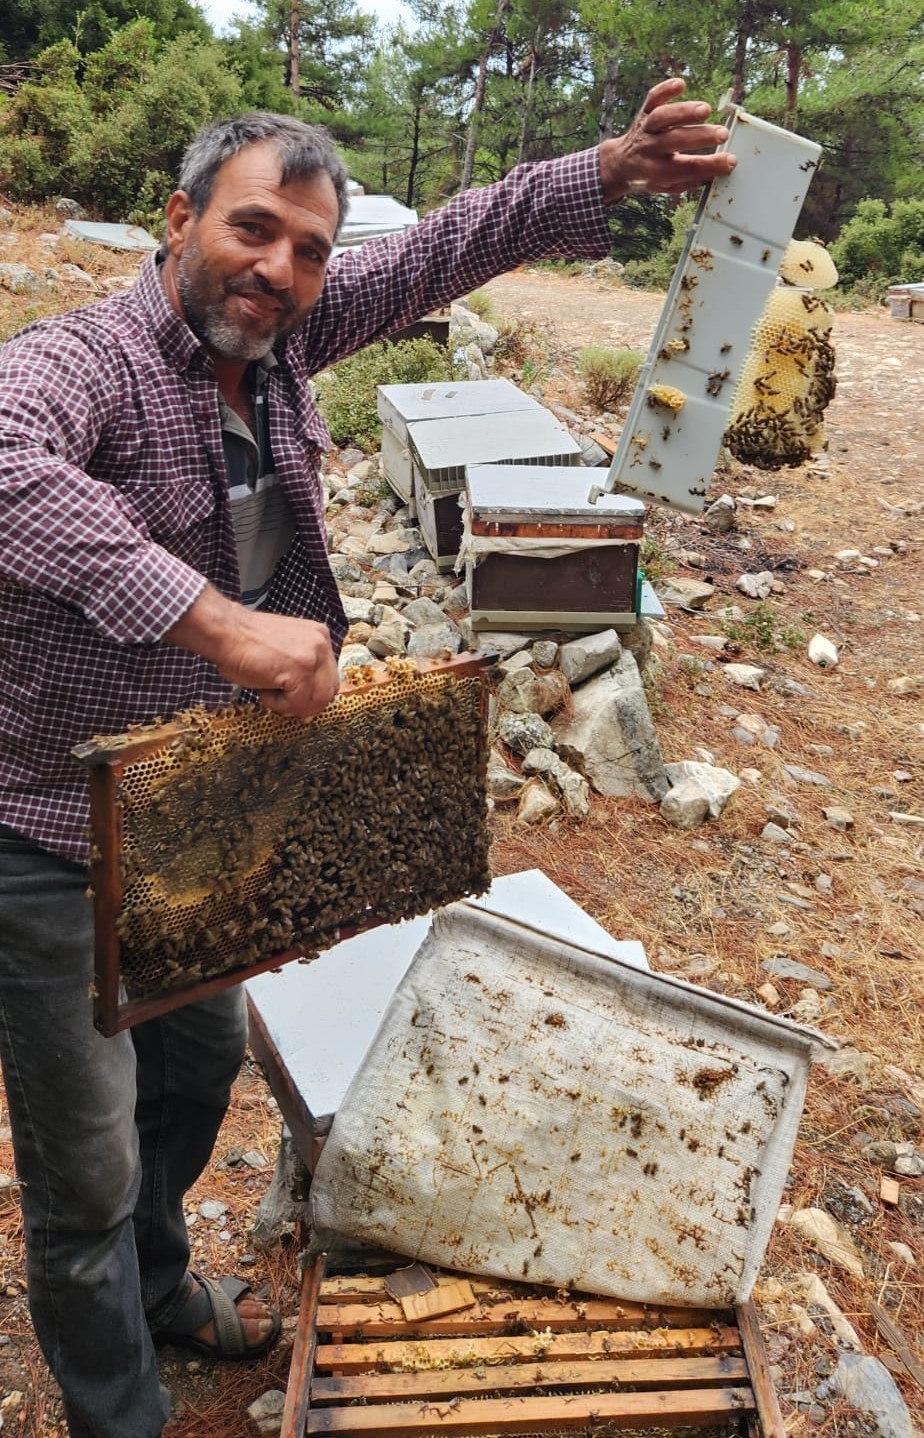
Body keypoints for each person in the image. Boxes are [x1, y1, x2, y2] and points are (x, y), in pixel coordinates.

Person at [0, 78, 735, 1437]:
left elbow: (451, 240)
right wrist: (222, 625)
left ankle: (163, 1292)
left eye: (310, 248)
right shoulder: (83, 364)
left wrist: (615, 169)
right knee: (83, 1177)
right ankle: (121, 1411)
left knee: (189, 1084)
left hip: (203, 821)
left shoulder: (288, 333)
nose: (280, 270)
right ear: (179, 219)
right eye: (254, 230)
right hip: (52, 834)